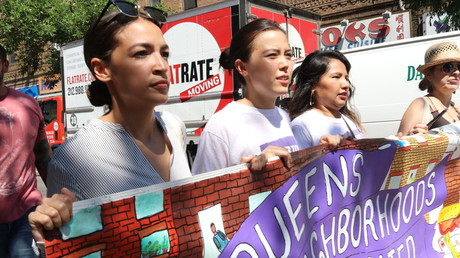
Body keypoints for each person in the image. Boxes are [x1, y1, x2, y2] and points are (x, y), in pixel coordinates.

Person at [28, 1, 191, 242]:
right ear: (102, 69)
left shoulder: (174, 126)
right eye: (141, 53)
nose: (161, 66)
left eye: (164, 53)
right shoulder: (74, 160)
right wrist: (46, 232)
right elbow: (72, 244)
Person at [191, 18, 298, 175]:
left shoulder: (284, 117)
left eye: (288, 55)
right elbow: (201, 196)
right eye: (272, 55)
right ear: (242, 67)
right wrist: (244, 177)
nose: (285, 64)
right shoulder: (222, 126)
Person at [0, 44, 52, 257]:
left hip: (27, 211)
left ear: (5, 65)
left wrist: (57, 199)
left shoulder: (28, 104)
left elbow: (42, 155)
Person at [289, 50, 364, 149]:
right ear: (313, 84)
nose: (345, 85)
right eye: (336, 77)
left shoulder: (348, 120)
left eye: (346, 78)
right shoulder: (301, 126)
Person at [398, 42, 460, 136]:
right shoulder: (421, 105)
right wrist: (411, 137)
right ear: (429, 75)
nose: (457, 72)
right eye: (448, 67)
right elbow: (399, 144)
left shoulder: (457, 109)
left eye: (459, 67)